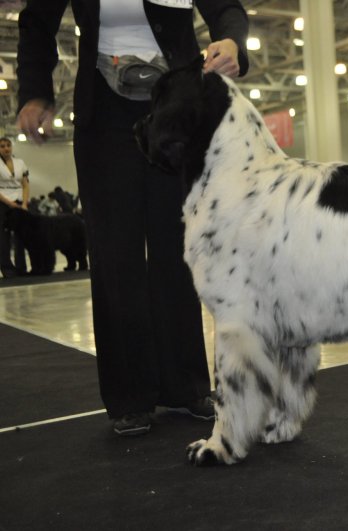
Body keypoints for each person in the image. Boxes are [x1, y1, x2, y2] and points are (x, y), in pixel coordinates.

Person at [16, 0, 250, 436]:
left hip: (177, 105)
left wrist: (233, 41)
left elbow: (226, 8)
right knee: (114, 251)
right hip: (103, 112)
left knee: (177, 247)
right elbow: (37, 20)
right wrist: (34, 90)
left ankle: (185, 385)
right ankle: (128, 396)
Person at [0, 136, 30, 277]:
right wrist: (8, 203)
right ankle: (7, 268)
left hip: (19, 201)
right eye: (2, 146)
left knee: (21, 235)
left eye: (8, 145)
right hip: (3, 202)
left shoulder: (20, 163)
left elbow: (25, 184)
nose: (6, 148)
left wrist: (24, 203)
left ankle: (21, 267)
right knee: (3, 236)